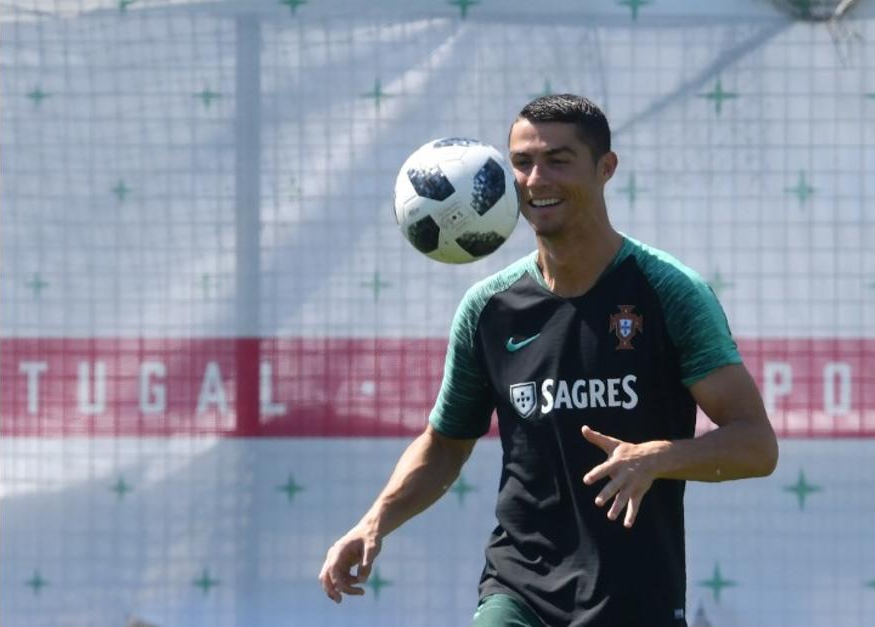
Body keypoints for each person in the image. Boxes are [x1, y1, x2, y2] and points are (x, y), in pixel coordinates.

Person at [319, 94, 779, 627]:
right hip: (518, 590)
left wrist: (655, 457)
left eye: (558, 160)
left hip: (635, 597)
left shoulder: (668, 292)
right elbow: (446, 443)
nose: (536, 179)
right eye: (522, 162)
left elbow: (755, 445)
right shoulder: (488, 308)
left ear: (606, 168)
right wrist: (375, 520)